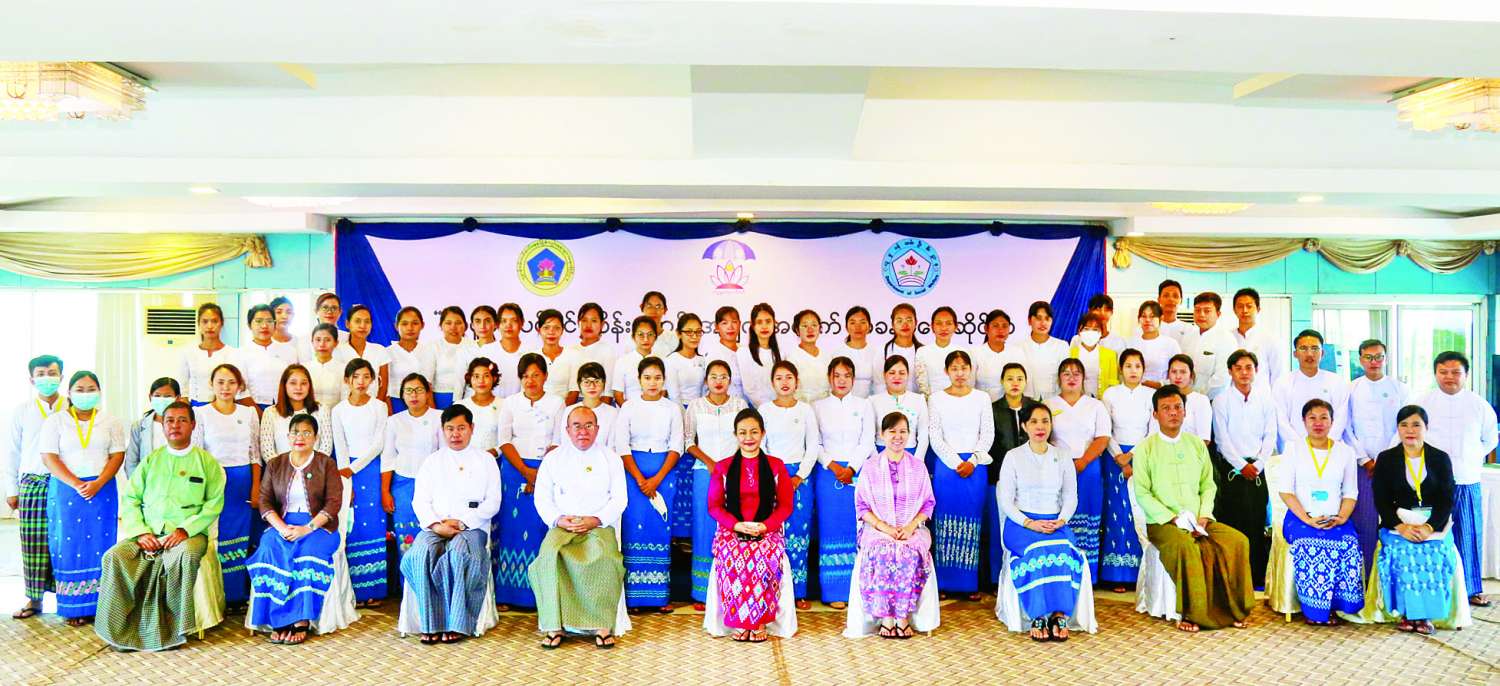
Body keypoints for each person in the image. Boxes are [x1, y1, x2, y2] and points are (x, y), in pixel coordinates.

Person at [94, 401, 226, 651]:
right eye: (169, 421)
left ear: (193, 425)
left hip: (188, 536)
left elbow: (213, 505)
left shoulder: (207, 463)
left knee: (184, 556)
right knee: (114, 557)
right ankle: (118, 626)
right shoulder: (151, 461)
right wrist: (140, 532)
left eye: (182, 420)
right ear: (163, 426)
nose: (175, 425)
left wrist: (185, 530)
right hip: (148, 534)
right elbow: (131, 499)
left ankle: (173, 628)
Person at [1132, 385, 1254, 632]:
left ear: (1185, 412)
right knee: (1187, 547)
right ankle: (1191, 614)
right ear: (1155, 414)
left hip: (1200, 521)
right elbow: (1142, 493)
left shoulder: (1196, 444)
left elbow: (1208, 485)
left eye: (1178, 407)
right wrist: (1173, 518)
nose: (1173, 413)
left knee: (1237, 541)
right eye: (1166, 408)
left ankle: (1233, 609)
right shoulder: (1145, 448)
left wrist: (1204, 516)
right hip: (1163, 523)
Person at [400, 405, 502, 645]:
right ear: (442, 430)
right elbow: (420, 501)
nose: (455, 434)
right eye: (450, 428)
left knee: (457, 555)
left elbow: (493, 502)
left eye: (461, 428)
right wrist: (436, 525)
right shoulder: (432, 461)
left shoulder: (486, 460)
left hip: (472, 528)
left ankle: (457, 622)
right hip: (436, 526)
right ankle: (430, 623)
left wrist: (463, 523)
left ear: (472, 428)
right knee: (420, 554)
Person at [530, 405, 629, 650]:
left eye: (588, 426)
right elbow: (542, 498)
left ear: (597, 429)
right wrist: (558, 519)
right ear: (567, 430)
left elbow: (620, 499)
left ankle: (602, 626)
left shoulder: (610, 458)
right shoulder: (553, 459)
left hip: (598, 525)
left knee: (606, 558)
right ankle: (554, 626)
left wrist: (595, 519)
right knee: (547, 556)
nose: (583, 431)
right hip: (563, 525)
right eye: (577, 426)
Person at [247, 414, 345, 644]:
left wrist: (306, 529)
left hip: (319, 527)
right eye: (295, 432)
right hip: (282, 523)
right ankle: (277, 618)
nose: (300, 437)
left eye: (307, 432)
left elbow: (334, 503)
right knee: (269, 548)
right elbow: (265, 501)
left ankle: (301, 618)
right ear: (288, 436)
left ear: (316, 437)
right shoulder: (276, 464)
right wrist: (281, 528)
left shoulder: (326, 464)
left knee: (306, 554)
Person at [39, 370, 127, 626]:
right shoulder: (56, 421)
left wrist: (98, 482)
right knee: (68, 545)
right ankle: (73, 607)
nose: (85, 394)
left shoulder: (111, 421)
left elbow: (117, 455)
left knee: (101, 544)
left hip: (102, 490)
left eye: (91, 389)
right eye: (80, 389)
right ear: (69, 393)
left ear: (99, 392)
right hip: (67, 490)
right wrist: (77, 483)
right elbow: (49, 456)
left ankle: (99, 604)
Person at [705, 408, 796, 642]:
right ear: (735, 435)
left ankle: (758, 621)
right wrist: (736, 525)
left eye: (754, 432)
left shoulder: (776, 466)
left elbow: (786, 506)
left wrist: (766, 526)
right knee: (734, 556)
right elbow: (714, 506)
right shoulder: (723, 467)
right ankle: (740, 621)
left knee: (764, 557)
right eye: (743, 432)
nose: (748, 437)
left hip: (767, 530)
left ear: (763, 433)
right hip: (732, 530)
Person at [999, 401, 1088, 641]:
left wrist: (1062, 519)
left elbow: (1070, 495)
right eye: (1034, 422)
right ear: (1024, 426)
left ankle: (1059, 614)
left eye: (1045, 421)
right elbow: (1006, 500)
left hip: (1055, 522)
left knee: (1063, 548)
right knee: (1038, 549)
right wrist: (1029, 523)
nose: (1040, 427)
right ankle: (1037, 614)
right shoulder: (1013, 457)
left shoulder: (1062, 455)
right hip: (1021, 525)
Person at [1415, 351, 1497, 607]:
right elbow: (1411, 436)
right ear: (1435, 373)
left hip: (1466, 478)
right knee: (1431, 533)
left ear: (1466, 375)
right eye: (1443, 372)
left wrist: (1471, 456)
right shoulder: (1423, 402)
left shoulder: (1479, 405)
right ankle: (1434, 586)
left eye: (1455, 372)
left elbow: (1490, 439)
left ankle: (1471, 588)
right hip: (1430, 482)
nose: (1449, 377)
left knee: (1468, 534)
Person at [1372, 405, 1460, 634]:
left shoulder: (1440, 458)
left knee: (1432, 553)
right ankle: (1406, 613)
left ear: (1426, 427)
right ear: (1397, 429)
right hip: (1398, 526)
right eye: (1404, 425)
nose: (1410, 430)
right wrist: (1401, 527)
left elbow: (1447, 499)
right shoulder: (1386, 459)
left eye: (1416, 425)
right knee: (1404, 552)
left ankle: (1425, 616)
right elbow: (1380, 500)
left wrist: (1430, 527)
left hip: (1433, 527)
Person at [1278, 399, 1363, 626]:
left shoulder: (1345, 451)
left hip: (1335, 517)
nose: (1318, 423)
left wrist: (1342, 518)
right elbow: (1285, 491)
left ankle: (1336, 606)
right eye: (1312, 418)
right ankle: (1315, 610)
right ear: (1303, 421)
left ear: (1332, 422)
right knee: (1311, 543)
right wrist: (1308, 519)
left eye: (1324, 417)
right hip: (1300, 517)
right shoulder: (1293, 448)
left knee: (1348, 543)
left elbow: (1351, 492)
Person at [855, 411, 936, 639]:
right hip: (878, 529)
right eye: (892, 431)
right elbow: (861, 506)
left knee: (908, 552)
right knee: (884, 551)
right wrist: (885, 528)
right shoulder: (870, 467)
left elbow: (928, 504)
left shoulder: (918, 467)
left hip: (912, 529)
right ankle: (886, 618)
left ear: (909, 435)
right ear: (882, 435)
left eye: (903, 431)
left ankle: (902, 617)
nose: (898, 437)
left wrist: (910, 527)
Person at [495, 353, 565, 610]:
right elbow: (504, 441)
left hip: (547, 468)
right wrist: (526, 471)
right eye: (525, 376)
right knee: (511, 529)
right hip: (514, 471)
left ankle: (539, 594)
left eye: (536, 375)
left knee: (538, 528)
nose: (530, 381)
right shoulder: (510, 403)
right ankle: (508, 595)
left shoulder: (556, 403)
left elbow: (558, 440)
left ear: (545, 376)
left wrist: (539, 473)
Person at [615, 356, 685, 612]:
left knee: (660, 530)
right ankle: (634, 598)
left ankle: (659, 597)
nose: (652, 383)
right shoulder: (628, 407)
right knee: (634, 530)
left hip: (663, 473)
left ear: (664, 380)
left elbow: (677, 445)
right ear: (639, 380)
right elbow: (622, 446)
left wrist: (656, 479)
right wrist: (639, 478)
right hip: (634, 472)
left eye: (657, 378)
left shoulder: (672, 408)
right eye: (647, 378)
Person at [193, 363, 262, 609]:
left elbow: (255, 453)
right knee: (217, 537)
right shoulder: (201, 413)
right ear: (211, 384)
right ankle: (217, 595)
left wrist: (256, 486)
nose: (225, 387)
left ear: (239, 386)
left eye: (231, 382)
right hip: (214, 481)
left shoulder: (249, 413)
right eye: (220, 382)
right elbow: (198, 454)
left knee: (240, 537)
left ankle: (237, 595)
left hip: (243, 481)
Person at [927, 350, 994, 599]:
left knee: (972, 524)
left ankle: (969, 584)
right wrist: (956, 462)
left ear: (971, 370)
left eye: (964, 367)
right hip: (947, 467)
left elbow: (987, 433)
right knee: (944, 523)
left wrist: (973, 460)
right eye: (954, 368)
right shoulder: (936, 399)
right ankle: (944, 583)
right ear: (946, 371)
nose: (960, 373)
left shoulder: (982, 398)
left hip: (975, 467)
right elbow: (935, 436)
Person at [5, 354, 67, 620]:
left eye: (52, 373)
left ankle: (68, 599)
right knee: (33, 544)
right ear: (31, 379)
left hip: (65, 484)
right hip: (33, 483)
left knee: (65, 542)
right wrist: (11, 489)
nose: (47, 378)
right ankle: (34, 599)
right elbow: (11, 451)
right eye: (41, 374)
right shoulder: (22, 411)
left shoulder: (71, 407)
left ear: (62, 377)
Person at [685, 360, 750, 609]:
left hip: (735, 473)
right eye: (713, 376)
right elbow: (688, 441)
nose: (718, 381)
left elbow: (746, 437)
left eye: (723, 376)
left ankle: (731, 588)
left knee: (733, 527)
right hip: (705, 473)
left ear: (730, 380)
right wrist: (710, 463)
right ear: (706, 381)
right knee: (704, 528)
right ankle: (702, 593)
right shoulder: (696, 406)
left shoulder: (739, 405)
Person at [758, 360, 822, 607]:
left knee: (798, 532)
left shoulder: (805, 410)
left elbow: (813, 445)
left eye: (789, 378)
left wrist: (799, 476)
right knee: (772, 532)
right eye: (779, 378)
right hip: (770, 475)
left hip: (800, 478)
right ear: (772, 383)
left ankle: (798, 592)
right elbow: (760, 445)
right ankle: (772, 590)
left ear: (797, 382)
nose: (784, 383)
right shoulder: (764, 410)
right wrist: (773, 476)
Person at [812, 356, 874, 610]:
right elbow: (814, 443)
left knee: (856, 528)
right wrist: (835, 466)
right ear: (829, 378)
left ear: (853, 379)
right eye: (837, 375)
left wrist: (852, 468)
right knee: (830, 529)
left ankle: (859, 590)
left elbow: (867, 440)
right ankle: (833, 590)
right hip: (828, 475)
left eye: (847, 375)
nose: (842, 380)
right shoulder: (817, 407)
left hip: (857, 474)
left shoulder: (864, 405)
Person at [1210, 349, 1277, 587]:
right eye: (1238, 368)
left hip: (1258, 470)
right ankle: (1232, 577)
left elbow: (1270, 435)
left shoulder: (1266, 400)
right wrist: (1242, 466)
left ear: (1256, 370)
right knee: (1232, 522)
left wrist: (1258, 464)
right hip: (1231, 471)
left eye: (1248, 368)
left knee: (1257, 522)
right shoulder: (1221, 400)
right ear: (1230, 371)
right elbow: (1221, 439)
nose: (1244, 373)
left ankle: (1256, 576)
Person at [332, 358, 390, 607]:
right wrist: (345, 475)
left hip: (372, 469)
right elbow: (340, 444)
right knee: (351, 526)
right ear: (347, 380)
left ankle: (374, 589)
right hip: (346, 472)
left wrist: (353, 468)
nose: (361, 382)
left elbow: (379, 444)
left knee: (373, 525)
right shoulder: (338, 410)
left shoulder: (379, 407)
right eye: (356, 377)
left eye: (367, 377)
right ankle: (353, 589)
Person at [1345, 339, 1407, 573]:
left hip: (1393, 464)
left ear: (1386, 358)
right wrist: (1365, 459)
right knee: (1365, 520)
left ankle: (1392, 574)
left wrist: (1384, 458)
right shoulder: (1351, 389)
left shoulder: (1399, 388)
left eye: (1379, 356)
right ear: (1360, 359)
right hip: (1363, 467)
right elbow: (1346, 428)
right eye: (1369, 357)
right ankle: (1367, 575)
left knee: (1396, 518)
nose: (1374, 362)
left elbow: (1404, 426)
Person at [1045, 358, 1110, 576]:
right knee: (1060, 513)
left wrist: (1082, 461)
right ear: (1058, 379)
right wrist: (1063, 462)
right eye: (1066, 373)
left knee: (1088, 513)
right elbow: (1043, 436)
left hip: (1088, 467)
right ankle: (1062, 570)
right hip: (1057, 468)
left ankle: (1087, 573)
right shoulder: (1049, 404)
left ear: (1083, 378)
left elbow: (1102, 438)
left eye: (1076, 374)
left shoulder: (1095, 405)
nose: (1071, 378)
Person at [1100, 349, 1151, 590]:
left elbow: (1152, 431)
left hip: (1142, 456)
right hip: (1114, 456)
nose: (1133, 370)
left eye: (1137, 366)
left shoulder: (1150, 395)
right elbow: (1105, 429)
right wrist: (1119, 455)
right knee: (1117, 512)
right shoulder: (1110, 394)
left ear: (1143, 370)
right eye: (1128, 366)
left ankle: (1140, 573)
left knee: (1138, 511)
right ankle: (1115, 574)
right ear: (1121, 369)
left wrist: (1132, 456)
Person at [383, 373, 441, 553]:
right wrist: (385, 491)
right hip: (403, 485)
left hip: (433, 485)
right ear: (402, 395)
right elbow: (388, 458)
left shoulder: (440, 418)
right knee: (406, 536)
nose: (414, 395)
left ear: (428, 393)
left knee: (433, 533)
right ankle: (407, 572)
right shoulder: (394, 421)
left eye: (419, 390)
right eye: (408, 391)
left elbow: (446, 456)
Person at [984, 363, 1030, 587]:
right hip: (1000, 478)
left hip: (1030, 480)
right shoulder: (993, 410)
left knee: (1026, 526)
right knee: (998, 528)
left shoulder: (1034, 408)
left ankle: (1024, 575)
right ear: (1002, 382)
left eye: (1019, 378)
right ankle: (997, 579)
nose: (1015, 383)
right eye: (1010, 378)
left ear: (1026, 382)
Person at [1271, 329, 1351, 449]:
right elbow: (1281, 421)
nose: (1309, 354)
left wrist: (1324, 444)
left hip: (1328, 449)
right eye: (1303, 348)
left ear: (1322, 353)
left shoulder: (1336, 382)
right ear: (1295, 354)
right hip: (1294, 449)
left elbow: (1340, 418)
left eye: (1314, 348)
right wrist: (1302, 447)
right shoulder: (1282, 383)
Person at [258, 364, 334, 458]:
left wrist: (312, 465)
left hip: (316, 466)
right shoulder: (270, 412)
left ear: (309, 386)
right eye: (293, 383)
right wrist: (285, 467)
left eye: (303, 383)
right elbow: (267, 451)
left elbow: (326, 447)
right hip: (281, 467)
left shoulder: (322, 410)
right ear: (284, 385)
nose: (298, 388)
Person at [871, 356, 929, 471]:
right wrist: (877, 461)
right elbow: (868, 436)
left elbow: (924, 434)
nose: (897, 377)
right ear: (884, 375)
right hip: (881, 454)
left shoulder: (918, 400)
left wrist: (917, 462)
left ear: (908, 375)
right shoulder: (873, 401)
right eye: (892, 373)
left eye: (902, 373)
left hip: (911, 454)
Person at [178, 303, 236, 405]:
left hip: (223, 407)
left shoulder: (232, 353)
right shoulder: (188, 353)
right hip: (196, 407)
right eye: (205, 321)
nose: (209, 326)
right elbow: (183, 389)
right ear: (199, 324)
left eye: (214, 321)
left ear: (222, 323)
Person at [240, 304, 296, 409]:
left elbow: (294, 381)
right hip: (252, 407)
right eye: (258, 321)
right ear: (249, 325)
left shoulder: (289, 351)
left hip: (284, 407)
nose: (264, 326)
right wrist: (258, 413)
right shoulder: (240, 354)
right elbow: (241, 391)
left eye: (269, 321)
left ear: (275, 324)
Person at [1149, 355, 1214, 443]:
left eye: (1183, 372)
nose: (1178, 376)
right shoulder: (1159, 398)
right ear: (1168, 375)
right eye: (1174, 372)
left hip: (1191, 450)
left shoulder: (1201, 400)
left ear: (1191, 375)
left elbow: (1204, 440)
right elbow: (1152, 434)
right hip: (1161, 449)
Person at [125, 377, 183, 475]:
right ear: (150, 397)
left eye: (167, 396)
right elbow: (131, 462)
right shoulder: (138, 427)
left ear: (177, 398)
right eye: (157, 396)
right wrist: (138, 482)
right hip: (148, 481)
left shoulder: (186, 424)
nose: (162, 400)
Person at [336, 304, 391, 406]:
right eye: (357, 321)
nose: (362, 326)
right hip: (346, 408)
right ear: (347, 324)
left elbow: (383, 386)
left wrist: (375, 407)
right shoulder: (338, 352)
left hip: (374, 407)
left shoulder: (379, 350)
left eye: (367, 321)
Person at [1230, 288, 1285, 389]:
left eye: (1249, 306)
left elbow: (1278, 375)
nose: (1245, 310)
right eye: (1240, 306)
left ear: (1258, 309)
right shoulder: (1228, 337)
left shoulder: (1271, 338)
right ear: (1234, 310)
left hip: (1261, 396)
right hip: (1233, 395)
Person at [1186, 292, 1237, 400]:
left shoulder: (1226, 339)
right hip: (1186, 398)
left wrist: (1196, 396)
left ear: (1218, 314)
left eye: (1207, 311)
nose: (1201, 314)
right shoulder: (1188, 336)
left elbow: (1222, 378)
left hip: (1213, 400)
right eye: (1197, 310)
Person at [387, 307, 437, 413]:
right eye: (404, 324)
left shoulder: (428, 351)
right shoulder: (387, 352)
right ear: (396, 326)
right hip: (396, 403)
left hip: (422, 404)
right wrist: (389, 414)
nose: (410, 328)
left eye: (415, 323)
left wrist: (433, 415)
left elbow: (428, 385)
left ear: (422, 325)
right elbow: (384, 389)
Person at [1017, 301, 1070, 400]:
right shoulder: (1018, 347)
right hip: (1026, 403)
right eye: (1038, 318)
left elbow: (1066, 378)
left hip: (1055, 402)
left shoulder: (1061, 346)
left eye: (1047, 319)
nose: (1043, 323)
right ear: (1029, 321)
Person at [567, 303, 618, 402]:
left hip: (599, 402)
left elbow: (607, 393)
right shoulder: (571, 350)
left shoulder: (607, 351)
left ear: (602, 324)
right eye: (584, 320)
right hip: (573, 403)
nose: (588, 325)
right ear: (578, 323)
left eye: (594, 321)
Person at [973, 309, 1024, 402]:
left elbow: (1024, 383)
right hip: (982, 405)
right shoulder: (975, 353)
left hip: (1010, 406)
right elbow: (968, 386)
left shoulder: (1017, 353)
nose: (1000, 330)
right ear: (986, 328)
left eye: (1005, 326)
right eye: (995, 326)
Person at [738, 303, 783, 408]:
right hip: (757, 409)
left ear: (774, 323)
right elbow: (749, 389)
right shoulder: (744, 352)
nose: (764, 326)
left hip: (780, 407)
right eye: (759, 322)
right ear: (753, 325)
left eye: (768, 321)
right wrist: (768, 408)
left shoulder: (781, 353)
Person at [1128, 301, 1181, 389]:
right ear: (1139, 319)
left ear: (1161, 318)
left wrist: (1159, 384)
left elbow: (1179, 373)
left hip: (1162, 392)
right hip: (1135, 391)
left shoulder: (1171, 344)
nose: (1147, 320)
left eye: (1152, 316)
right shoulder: (1131, 343)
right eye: (1143, 316)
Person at [431, 306, 476, 408]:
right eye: (448, 323)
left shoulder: (473, 346)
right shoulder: (433, 347)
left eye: (458, 323)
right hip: (440, 398)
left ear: (465, 326)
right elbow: (427, 382)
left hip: (470, 396)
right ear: (441, 326)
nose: (453, 327)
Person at [483, 304, 531, 399]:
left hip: (521, 405)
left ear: (522, 323)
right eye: (504, 321)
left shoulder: (530, 352)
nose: (508, 325)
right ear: (497, 324)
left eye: (514, 320)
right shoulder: (486, 351)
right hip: (492, 404)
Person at [701, 306, 747, 403]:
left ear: (739, 324)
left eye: (734, 322)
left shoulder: (746, 351)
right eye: (724, 323)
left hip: (747, 406)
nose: (730, 327)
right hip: (724, 406)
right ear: (717, 327)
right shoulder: (713, 355)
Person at [786, 310, 832, 403]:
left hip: (826, 407)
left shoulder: (827, 356)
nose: (810, 330)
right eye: (805, 326)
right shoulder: (791, 358)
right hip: (802, 408)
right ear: (797, 331)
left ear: (820, 329)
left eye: (814, 325)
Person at [1068, 312, 1119, 397]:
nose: (1090, 332)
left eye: (1095, 329)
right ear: (1079, 331)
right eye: (1086, 329)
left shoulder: (1110, 355)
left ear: (1101, 333)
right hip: (1076, 400)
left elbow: (1113, 385)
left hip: (1102, 401)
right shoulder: (1069, 354)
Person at [613, 316, 660, 405]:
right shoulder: (622, 362)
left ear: (655, 337)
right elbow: (618, 394)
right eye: (640, 334)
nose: (645, 339)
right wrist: (629, 411)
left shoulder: (661, 362)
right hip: (630, 409)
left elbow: (663, 391)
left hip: (655, 408)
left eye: (650, 334)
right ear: (633, 337)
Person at [666, 312, 710, 408]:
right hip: (679, 408)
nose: (694, 336)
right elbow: (674, 396)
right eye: (689, 332)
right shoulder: (671, 360)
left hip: (700, 408)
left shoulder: (703, 360)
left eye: (698, 332)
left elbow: (705, 390)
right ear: (679, 334)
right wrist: (684, 414)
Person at [915, 306, 962, 395]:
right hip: (931, 401)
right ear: (932, 327)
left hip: (957, 399)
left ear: (956, 326)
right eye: (939, 323)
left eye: (948, 323)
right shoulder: (922, 352)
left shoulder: (962, 352)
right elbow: (922, 385)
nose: (943, 328)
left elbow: (966, 382)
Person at [837, 306, 881, 398]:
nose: (857, 327)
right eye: (852, 323)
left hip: (869, 403)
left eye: (862, 322)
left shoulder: (876, 353)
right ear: (846, 327)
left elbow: (879, 385)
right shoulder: (837, 353)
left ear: (869, 326)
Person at [298, 292, 350, 363]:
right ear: (316, 311)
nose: (329, 312)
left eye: (334, 308)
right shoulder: (304, 340)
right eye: (325, 307)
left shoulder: (348, 338)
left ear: (340, 312)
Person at [304, 324, 346, 409]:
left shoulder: (344, 369)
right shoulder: (303, 368)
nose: (322, 344)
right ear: (312, 342)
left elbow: (346, 400)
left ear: (336, 343)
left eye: (327, 340)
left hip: (336, 415)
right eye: (318, 340)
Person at [534, 309, 572, 398]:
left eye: (556, 328)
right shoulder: (532, 357)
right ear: (539, 330)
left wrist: (561, 406)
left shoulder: (572, 355)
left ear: (562, 330)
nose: (551, 332)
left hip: (566, 405)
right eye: (546, 328)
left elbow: (574, 391)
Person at [1157, 280, 1198, 351]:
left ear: (1181, 300)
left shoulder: (1190, 329)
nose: (1171, 299)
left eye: (1175, 296)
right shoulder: (1148, 327)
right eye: (1166, 295)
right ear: (1159, 299)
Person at [883, 303, 921, 377]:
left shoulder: (923, 351)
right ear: (892, 325)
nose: (905, 325)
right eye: (899, 321)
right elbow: (879, 381)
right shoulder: (883, 351)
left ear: (916, 322)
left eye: (909, 320)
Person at [642, 290, 678, 359]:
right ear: (642, 308)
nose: (653, 311)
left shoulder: (673, 338)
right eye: (649, 306)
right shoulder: (633, 338)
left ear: (665, 310)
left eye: (658, 306)